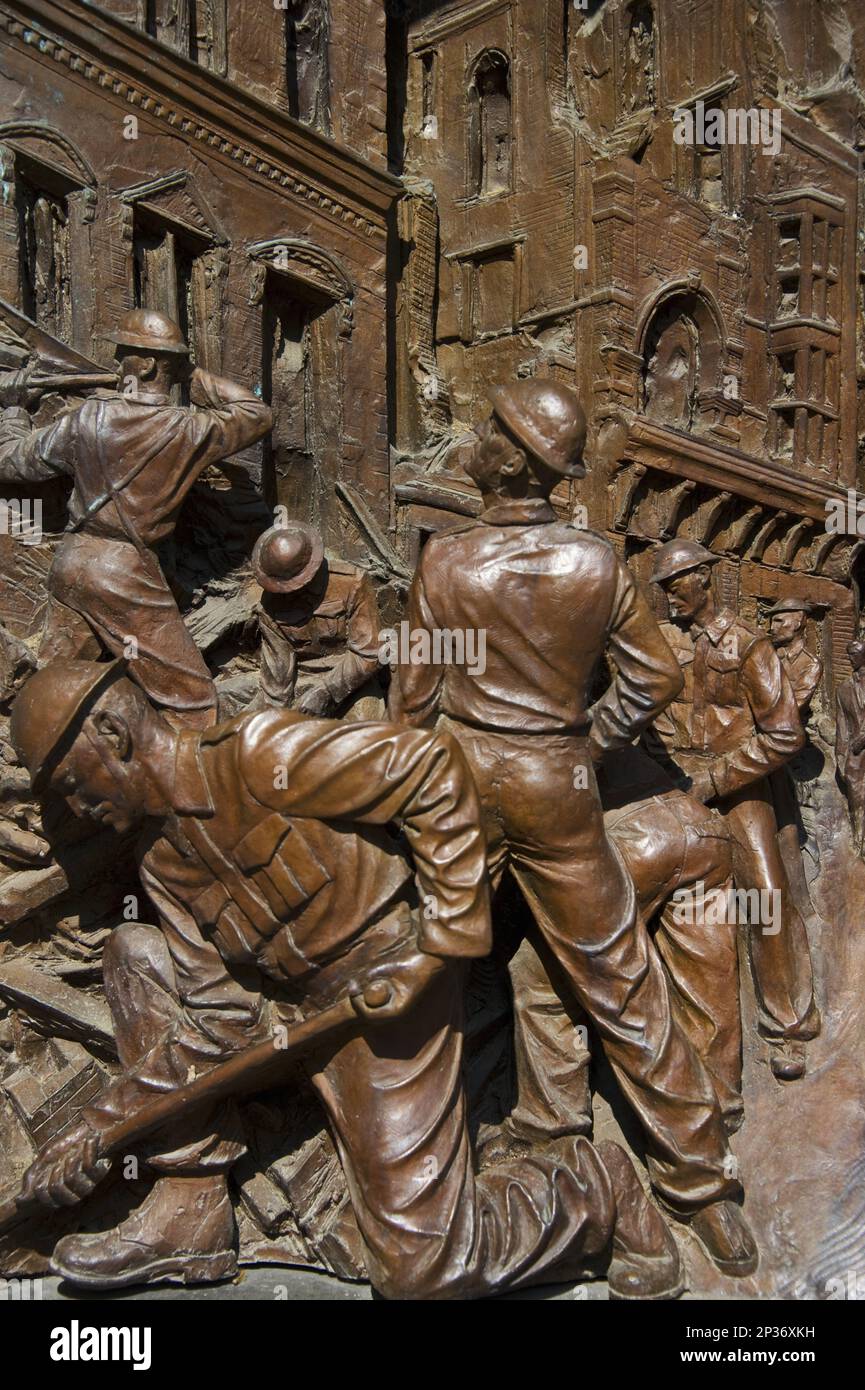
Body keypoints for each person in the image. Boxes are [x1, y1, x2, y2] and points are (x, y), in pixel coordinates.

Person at [9, 658, 683, 1300]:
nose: (78, 808)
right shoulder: (162, 863)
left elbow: (430, 770)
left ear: (114, 735)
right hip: (293, 1017)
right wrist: (100, 1129)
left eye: (72, 783)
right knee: (135, 951)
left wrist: (439, 943)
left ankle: (594, 1190)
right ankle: (191, 1212)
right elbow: (217, 1023)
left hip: (394, 1000)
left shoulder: (258, 753)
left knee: (424, 1272)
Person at [391, 378, 757, 1276]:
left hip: (466, 785)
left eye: (487, 431)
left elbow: (412, 697)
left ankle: (414, 1169)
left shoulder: (444, 564)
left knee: (422, 971)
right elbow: (653, 680)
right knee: (622, 988)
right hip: (557, 786)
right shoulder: (599, 565)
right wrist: (585, 745)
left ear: (510, 457)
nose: (473, 441)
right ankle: (703, 1191)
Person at [0, 309, 272, 729]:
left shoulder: (86, 419)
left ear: (143, 364)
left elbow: (11, 461)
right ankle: (194, 788)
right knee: (194, 703)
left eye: (124, 355)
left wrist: (14, 409)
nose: (115, 364)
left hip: (74, 563)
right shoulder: (187, 430)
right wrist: (190, 373)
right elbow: (255, 413)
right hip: (124, 576)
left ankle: (38, 768)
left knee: (52, 692)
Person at [648, 541, 820, 1082]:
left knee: (765, 893)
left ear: (704, 578)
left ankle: (787, 1026)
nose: (669, 595)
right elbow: (642, 710)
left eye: (676, 583)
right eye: (663, 587)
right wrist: (664, 767)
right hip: (673, 781)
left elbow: (785, 733)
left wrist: (717, 778)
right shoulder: (660, 643)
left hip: (739, 784)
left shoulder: (749, 646)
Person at [252, 522, 381, 717]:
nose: (284, 594)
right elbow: (278, 687)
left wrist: (326, 692)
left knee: (363, 733)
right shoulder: (270, 605)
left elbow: (369, 654)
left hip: (351, 682)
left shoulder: (351, 583)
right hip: (301, 681)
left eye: (290, 586)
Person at [835, 638, 865, 856]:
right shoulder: (843, 689)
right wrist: (839, 754)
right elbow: (842, 724)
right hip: (855, 752)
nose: (850, 658)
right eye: (849, 654)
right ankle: (859, 837)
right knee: (855, 793)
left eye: (854, 654)